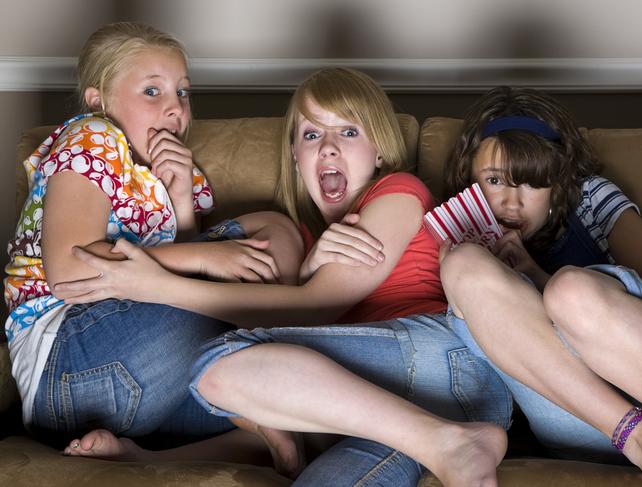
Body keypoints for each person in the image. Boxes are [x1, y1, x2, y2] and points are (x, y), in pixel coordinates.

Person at [54, 67, 512, 486]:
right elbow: (295, 317)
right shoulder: (303, 240)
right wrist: (303, 271)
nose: (328, 146)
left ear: (379, 154)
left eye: (348, 131)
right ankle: (449, 443)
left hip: (449, 363)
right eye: (312, 134)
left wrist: (157, 286)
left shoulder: (397, 192)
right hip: (387, 409)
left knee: (221, 364)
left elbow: (318, 305)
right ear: (294, 156)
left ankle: (448, 441)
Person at [4, 21, 309, 478]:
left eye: (183, 92)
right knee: (261, 242)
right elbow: (69, 270)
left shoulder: (170, 172)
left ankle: (144, 456)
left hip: (148, 387)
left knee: (273, 235)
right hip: (69, 367)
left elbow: (173, 287)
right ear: (99, 99)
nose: (175, 108)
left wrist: (182, 201)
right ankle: (271, 346)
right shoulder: (93, 137)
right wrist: (207, 256)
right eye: (153, 91)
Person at [439, 86, 642, 476]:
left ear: (558, 181)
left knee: (569, 290)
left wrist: (537, 275)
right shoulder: (457, 230)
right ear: (470, 174)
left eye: (532, 182)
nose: (511, 203)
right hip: (585, 415)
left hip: (636, 363)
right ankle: (639, 437)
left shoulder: (591, 200)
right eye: (495, 180)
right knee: (462, 265)